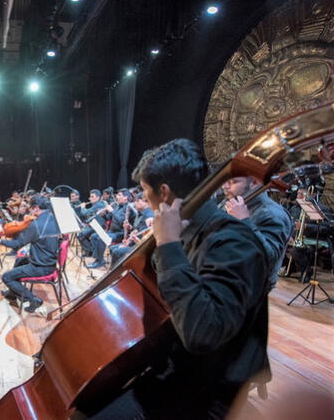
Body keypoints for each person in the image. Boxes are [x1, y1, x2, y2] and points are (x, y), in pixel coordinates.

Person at [92, 139, 270, 419]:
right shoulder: (184, 231)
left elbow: (202, 333)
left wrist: (168, 247)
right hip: (168, 365)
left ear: (163, 192)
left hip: (203, 391)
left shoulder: (233, 242)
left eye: (145, 192)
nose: (146, 202)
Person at [0, 195, 60, 312]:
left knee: (6, 277)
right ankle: (12, 293)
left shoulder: (36, 225)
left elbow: (18, 244)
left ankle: (33, 299)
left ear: (36, 208)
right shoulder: (54, 218)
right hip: (50, 261)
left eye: (31, 208)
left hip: (41, 266)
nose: (30, 211)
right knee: (19, 260)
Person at [223, 176, 293, 290]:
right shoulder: (234, 204)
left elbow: (268, 259)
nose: (225, 186)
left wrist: (244, 222)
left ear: (255, 182)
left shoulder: (273, 214)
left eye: (233, 182)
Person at [89, 189, 137, 269]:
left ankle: (100, 261)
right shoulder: (117, 206)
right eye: (117, 195)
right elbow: (110, 217)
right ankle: (99, 259)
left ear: (125, 197)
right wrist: (103, 214)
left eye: (119, 195)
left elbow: (121, 221)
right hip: (112, 231)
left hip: (120, 233)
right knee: (94, 236)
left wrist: (112, 211)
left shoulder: (129, 208)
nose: (116, 197)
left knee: (102, 238)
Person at [77, 189, 106, 257]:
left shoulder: (99, 205)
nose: (90, 199)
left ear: (98, 197)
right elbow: (89, 214)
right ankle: (90, 250)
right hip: (94, 225)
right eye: (90, 197)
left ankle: (89, 251)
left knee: (80, 234)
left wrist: (82, 207)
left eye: (92, 196)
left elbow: (85, 213)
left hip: (99, 226)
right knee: (81, 233)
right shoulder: (96, 205)